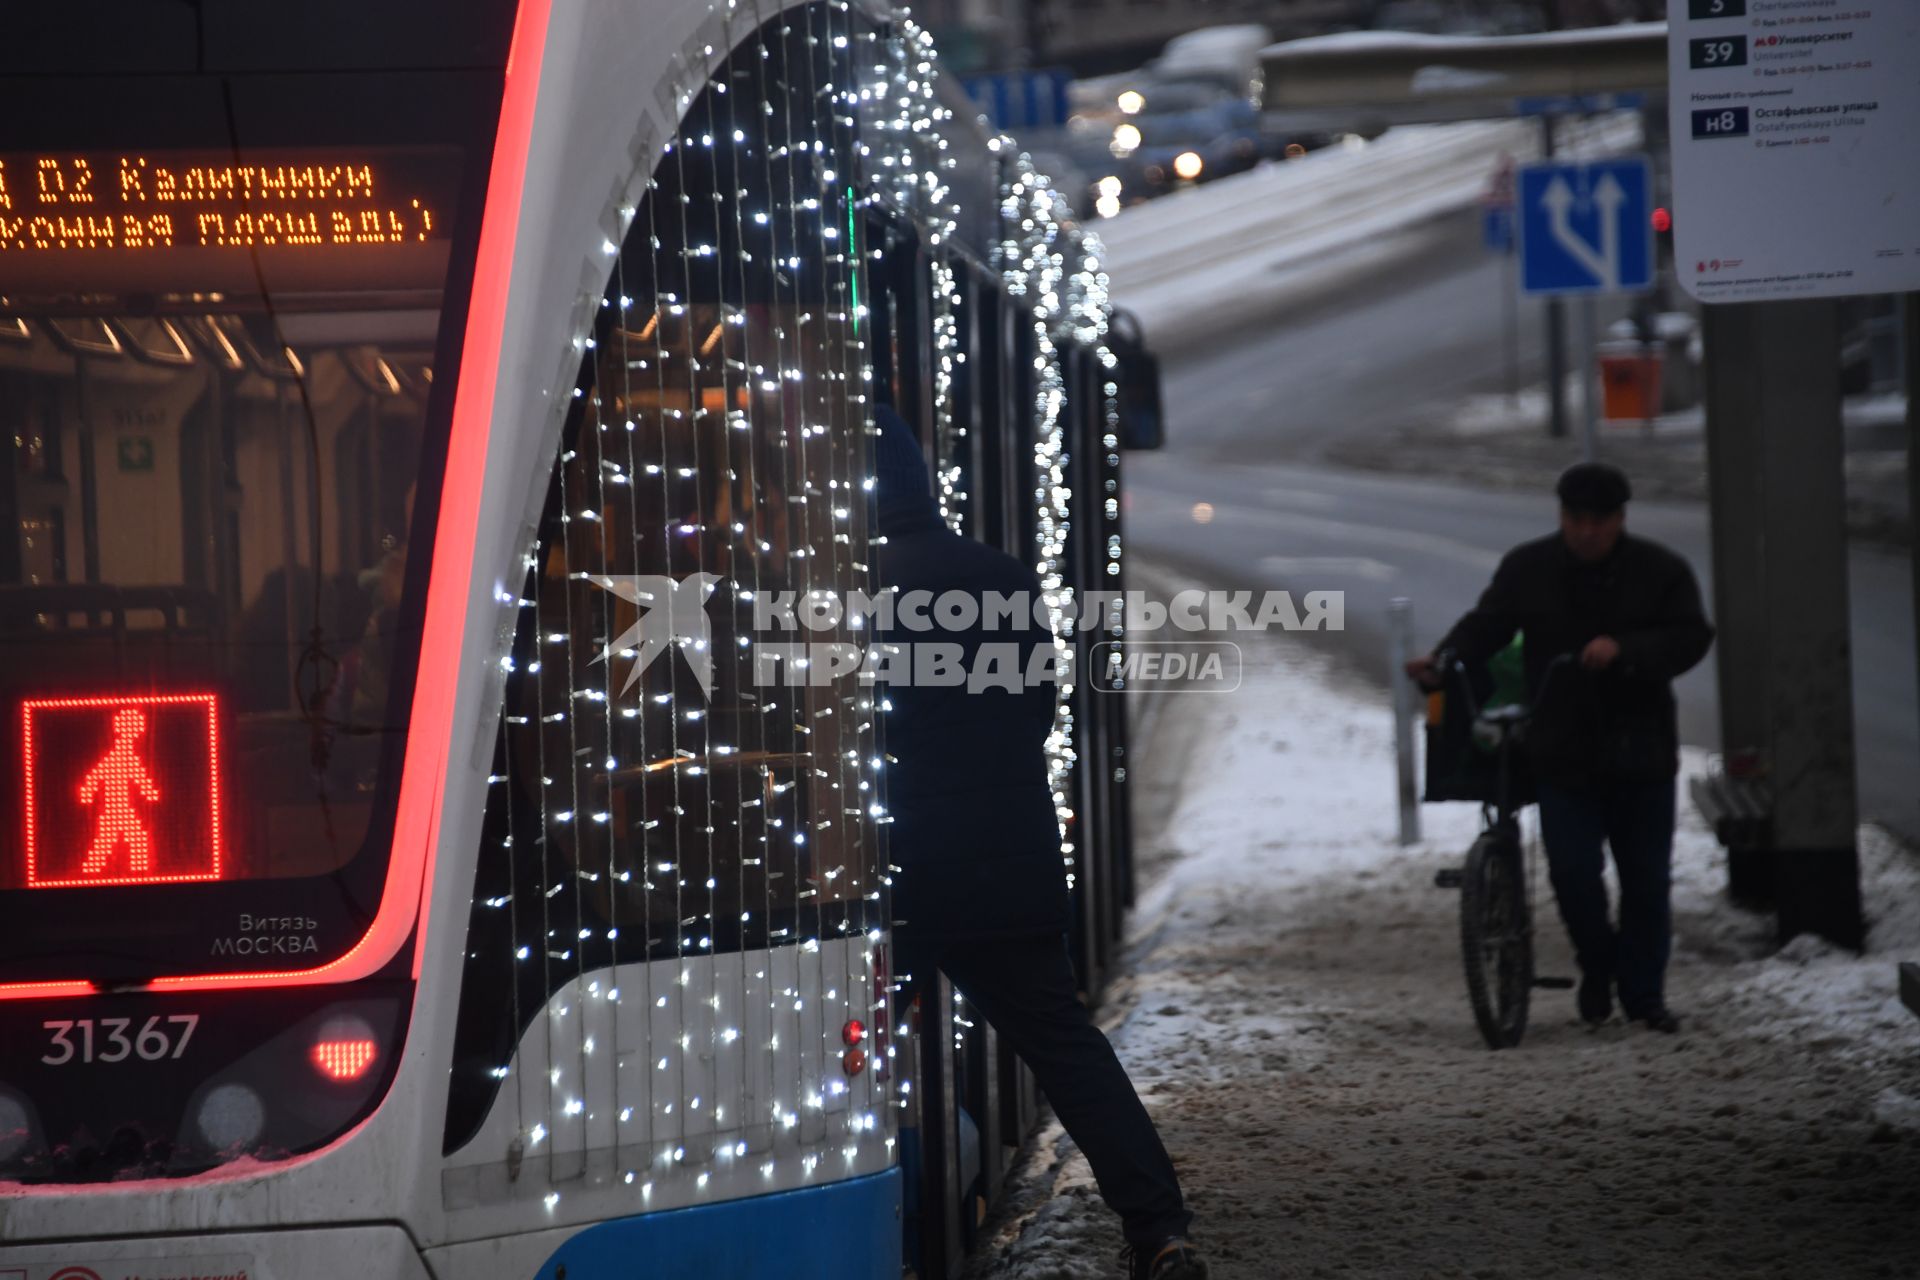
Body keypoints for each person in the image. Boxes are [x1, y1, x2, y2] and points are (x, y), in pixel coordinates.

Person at [871, 404, 1205, 1280]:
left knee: (844, 1056)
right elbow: (1038, 708)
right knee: (1068, 1054)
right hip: (1007, 859)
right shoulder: (1004, 576)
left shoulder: (840, 587)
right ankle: (1159, 1230)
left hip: (894, 875)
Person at [1406, 463, 1714, 1033]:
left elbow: (1691, 635)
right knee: (1573, 874)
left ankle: (1644, 996)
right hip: (1562, 747)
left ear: (1620, 520)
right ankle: (1599, 966)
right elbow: (1487, 626)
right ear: (1562, 516)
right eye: (1576, 519)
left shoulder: (1659, 570)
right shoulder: (1528, 568)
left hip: (1640, 746)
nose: (1587, 531)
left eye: (1599, 521)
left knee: (1646, 880)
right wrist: (1444, 660)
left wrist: (1624, 649)